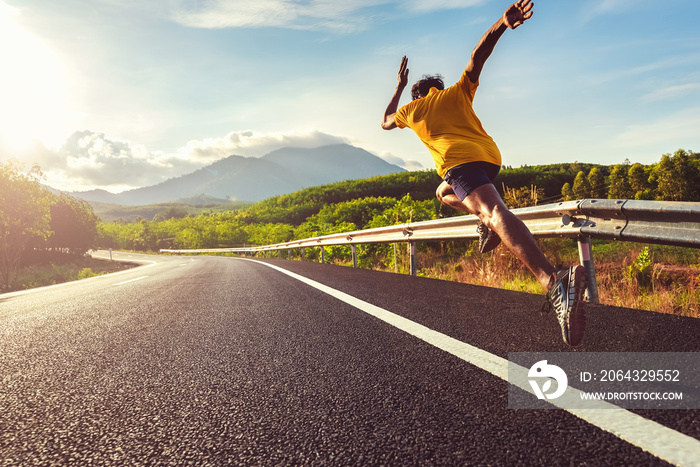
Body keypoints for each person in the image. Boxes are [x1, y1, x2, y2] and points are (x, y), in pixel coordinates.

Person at [381, 0, 588, 347]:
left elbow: (384, 122)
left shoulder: (411, 109)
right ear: (436, 86)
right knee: (444, 194)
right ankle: (484, 223)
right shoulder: (457, 92)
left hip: (459, 163)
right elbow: (477, 57)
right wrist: (501, 24)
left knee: (495, 213)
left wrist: (399, 87)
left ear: (417, 93)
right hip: (489, 158)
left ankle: (554, 282)